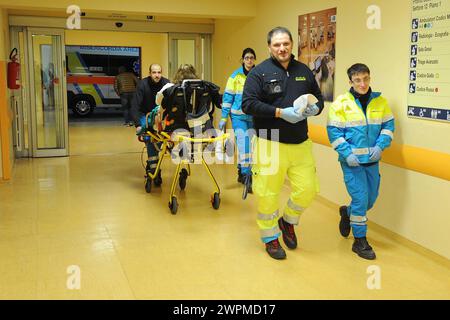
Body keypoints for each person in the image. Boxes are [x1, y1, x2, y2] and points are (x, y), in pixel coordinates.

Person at [242, 26, 324, 260]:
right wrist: (279, 112)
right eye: (277, 44)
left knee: (307, 190)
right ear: (269, 47)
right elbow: (248, 104)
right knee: (268, 193)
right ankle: (270, 237)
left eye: (286, 44)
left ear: (291, 45)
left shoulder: (304, 71)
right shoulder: (259, 73)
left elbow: (317, 98)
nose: (282, 48)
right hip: (270, 140)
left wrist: (315, 107)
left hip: (300, 142)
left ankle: (287, 221)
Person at [327, 63, 395, 260]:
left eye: (365, 79)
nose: (362, 84)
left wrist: (381, 146)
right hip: (352, 162)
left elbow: (388, 126)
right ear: (351, 82)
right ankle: (360, 241)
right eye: (357, 80)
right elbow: (334, 131)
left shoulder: (380, 102)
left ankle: (347, 213)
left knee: (370, 200)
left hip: (372, 161)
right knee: (360, 199)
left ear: (369, 78)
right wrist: (346, 153)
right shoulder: (341, 103)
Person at [219, 48, 257, 187]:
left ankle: (241, 171)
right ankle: (248, 176)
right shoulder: (235, 77)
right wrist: (224, 117)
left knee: (250, 146)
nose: (249, 60)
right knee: (244, 144)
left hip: (253, 117)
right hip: (238, 116)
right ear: (242, 60)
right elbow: (228, 97)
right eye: (246, 58)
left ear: (254, 60)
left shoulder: (258, 75)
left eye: (252, 57)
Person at [133, 64, 170, 186]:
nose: (157, 75)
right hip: (146, 115)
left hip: (160, 116)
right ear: (150, 73)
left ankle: (153, 163)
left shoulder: (167, 84)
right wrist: (138, 124)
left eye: (159, 72)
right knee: (150, 138)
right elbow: (135, 106)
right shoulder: (142, 84)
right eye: (154, 72)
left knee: (160, 138)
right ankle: (154, 169)